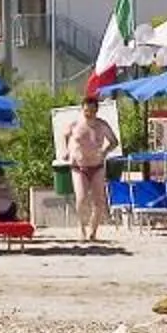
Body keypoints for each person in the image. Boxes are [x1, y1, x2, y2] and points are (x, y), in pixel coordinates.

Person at [67, 96, 120, 243]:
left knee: (99, 201)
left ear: (97, 110)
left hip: (97, 165)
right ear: (82, 109)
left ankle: (93, 231)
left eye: (92, 111)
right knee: (81, 198)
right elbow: (65, 136)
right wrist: (69, 152)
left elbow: (114, 142)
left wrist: (104, 151)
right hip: (79, 166)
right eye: (86, 110)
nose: (89, 113)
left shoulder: (102, 125)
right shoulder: (75, 125)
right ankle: (81, 228)